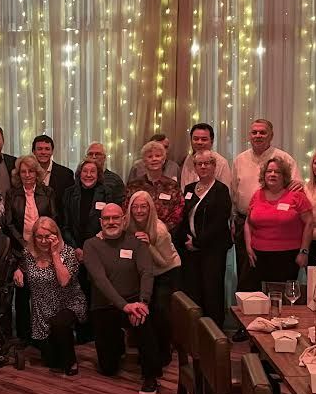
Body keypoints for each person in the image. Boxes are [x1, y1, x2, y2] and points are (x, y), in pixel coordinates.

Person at [83, 204, 163, 394]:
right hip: (105, 306)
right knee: (108, 368)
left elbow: (147, 272)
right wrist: (124, 306)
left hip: (134, 301)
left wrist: (143, 302)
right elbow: (100, 280)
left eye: (116, 218)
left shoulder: (137, 242)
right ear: (101, 222)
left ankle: (151, 376)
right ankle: (117, 344)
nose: (111, 222)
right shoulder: (91, 245)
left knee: (144, 320)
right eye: (107, 219)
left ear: (124, 220)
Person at [14, 217, 86, 376]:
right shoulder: (28, 253)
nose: (43, 241)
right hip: (42, 309)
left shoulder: (67, 253)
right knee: (51, 362)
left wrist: (54, 253)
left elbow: (64, 281)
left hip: (68, 303)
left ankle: (71, 361)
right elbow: (23, 266)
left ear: (56, 235)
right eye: (39, 236)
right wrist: (18, 271)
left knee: (59, 325)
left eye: (48, 236)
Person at [231, 119, 298, 283]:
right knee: (246, 275)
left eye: (263, 132)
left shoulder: (284, 159)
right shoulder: (240, 159)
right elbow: (233, 192)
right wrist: (233, 219)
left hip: (276, 229)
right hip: (244, 222)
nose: (258, 136)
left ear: (271, 135)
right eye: (254, 132)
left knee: (275, 278)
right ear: (249, 135)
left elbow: (297, 188)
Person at [174, 149, 234, 323]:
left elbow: (219, 221)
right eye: (199, 164)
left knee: (212, 291)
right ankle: (195, 335)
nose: (203, 167)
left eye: (207, 163)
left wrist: (198, 242)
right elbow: (184, 217)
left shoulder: (221, 190)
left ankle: (215, 335)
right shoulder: (189, 188)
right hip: (190, 250)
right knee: (193, 292)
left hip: (212, 250)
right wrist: (187, 241)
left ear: (214, 166)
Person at [242, 156, 313, 289]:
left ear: (284, 176)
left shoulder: (297, 196)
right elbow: (248, 222)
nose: (272, 174)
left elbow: (309, 223)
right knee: (255, 296)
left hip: (287, 257)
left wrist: (304, 252)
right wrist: (248, 247)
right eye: (269, 171)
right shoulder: (257, 195)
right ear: (264, 175)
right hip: (258, 255)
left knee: (281, 298)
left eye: (277, 172)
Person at [7, 155, 56, 340]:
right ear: (18, 174)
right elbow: (9, 223)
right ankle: (24, 336)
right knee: (22, 294)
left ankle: (44, 335)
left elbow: (53, 218)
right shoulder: (12, 194)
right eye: (23, 171)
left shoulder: (48, 192)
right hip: (20, 250)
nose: (27, 175)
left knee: (43, 293)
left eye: (31, 171)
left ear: (37, 173)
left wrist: (42, 243)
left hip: (44, 248)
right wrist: (25, 244)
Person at [127, 189, 181, 347]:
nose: (139, 211)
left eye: (143, 207)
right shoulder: (128, 225)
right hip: (146, 273)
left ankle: (165, 348)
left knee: (160, 309)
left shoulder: (159, 231)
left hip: (167, 271)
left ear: (150, 208)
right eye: (135, 207)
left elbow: (163, 262)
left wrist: (148, 245)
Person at [60, 159, 123, 254]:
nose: (88, 175)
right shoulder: (69, 193)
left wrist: (92, 246)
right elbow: (65, 225)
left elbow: (109, 223)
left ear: (98, 174)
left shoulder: (107, 193)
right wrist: (75, 248)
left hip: (99, 248)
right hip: (74, 249)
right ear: (79, 174)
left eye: (93, 171)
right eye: (85, 171)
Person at [124, 139, 184, 230]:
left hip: (166, 233)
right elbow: (126, 209)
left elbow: (179, 210)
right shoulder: (134, 186)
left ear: (163, 160)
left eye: (158, 156)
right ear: (144, 161)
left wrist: (164, 228)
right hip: (138, 233)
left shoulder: (172, 185)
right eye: (150, 156)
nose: (154, 159)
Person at [179, 122, 233, 190]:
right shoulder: (188, 159)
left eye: (204, 139)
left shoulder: (221, 163)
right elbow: (184, 187)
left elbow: (225, 192)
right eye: (196, 139)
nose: (199, 142)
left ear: (212, 141)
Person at [31, 134, 74, 210]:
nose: (43, 152)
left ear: (52, 151)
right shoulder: (27, 173)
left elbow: (69, 205)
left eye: (47, 149)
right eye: (39, 149)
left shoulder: (66, 174)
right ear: (33, 151)